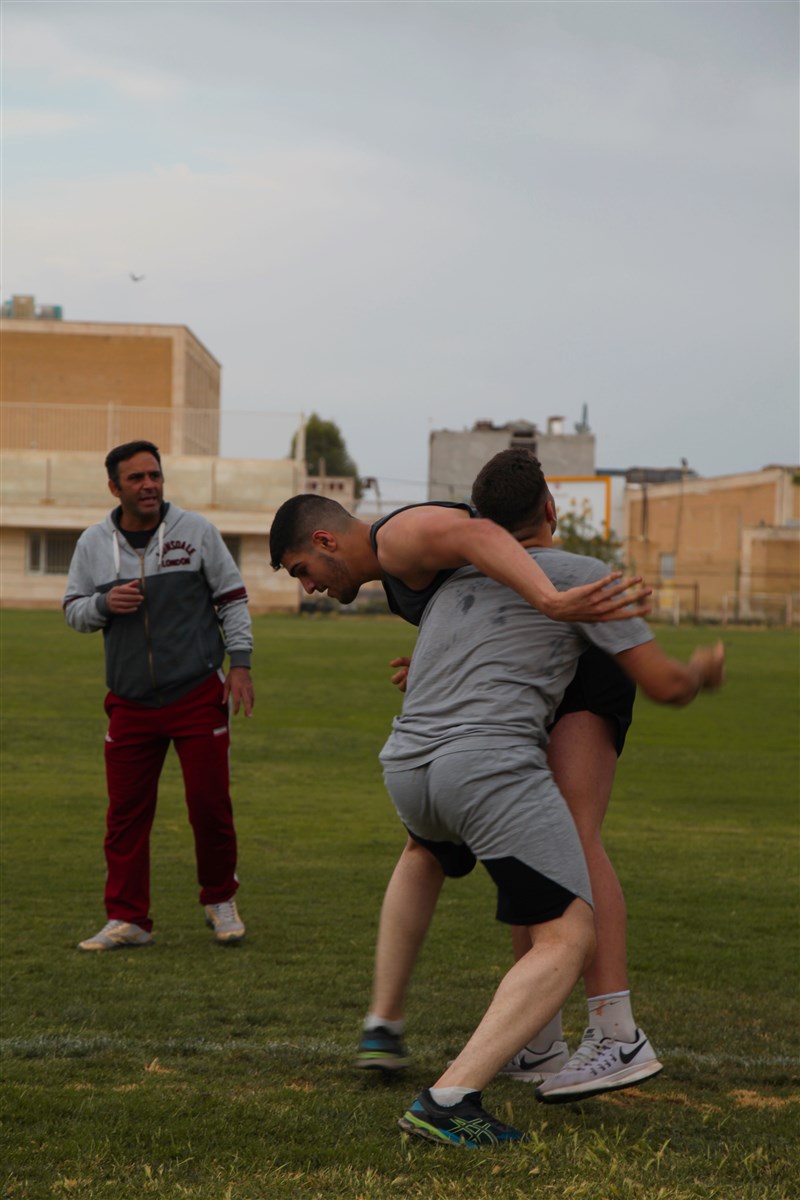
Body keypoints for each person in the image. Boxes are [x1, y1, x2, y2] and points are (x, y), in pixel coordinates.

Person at [372, 455, 724, 1145]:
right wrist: (700, 674)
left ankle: (599, 1031)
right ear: (552, 510)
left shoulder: (466, 578)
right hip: (503, 726)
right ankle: (541, 1044)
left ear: (480, 522)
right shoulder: (545, 574)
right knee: (545, 868)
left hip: (530, 700)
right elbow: (667, 684)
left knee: (561, 846)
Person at [64, 440, 254, 951]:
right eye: (136, 478)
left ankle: (220, 900)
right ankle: (128, 919)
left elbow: (233, 600)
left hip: (196, 693)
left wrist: (240, 664)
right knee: (125, 816)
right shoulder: (92, 543)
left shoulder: (197, 532)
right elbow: (73, 611)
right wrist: (104, 603)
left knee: (210, 807)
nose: (148, 485)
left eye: (154, 475)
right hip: (129, 701)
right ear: (114, 487)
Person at [269, 493, 651, 628]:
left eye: (302, 571)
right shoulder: (392, 573)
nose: (309, 588)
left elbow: (477, 534)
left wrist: (551, 600)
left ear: (325, 541)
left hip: (577, 619)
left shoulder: (394, 542)